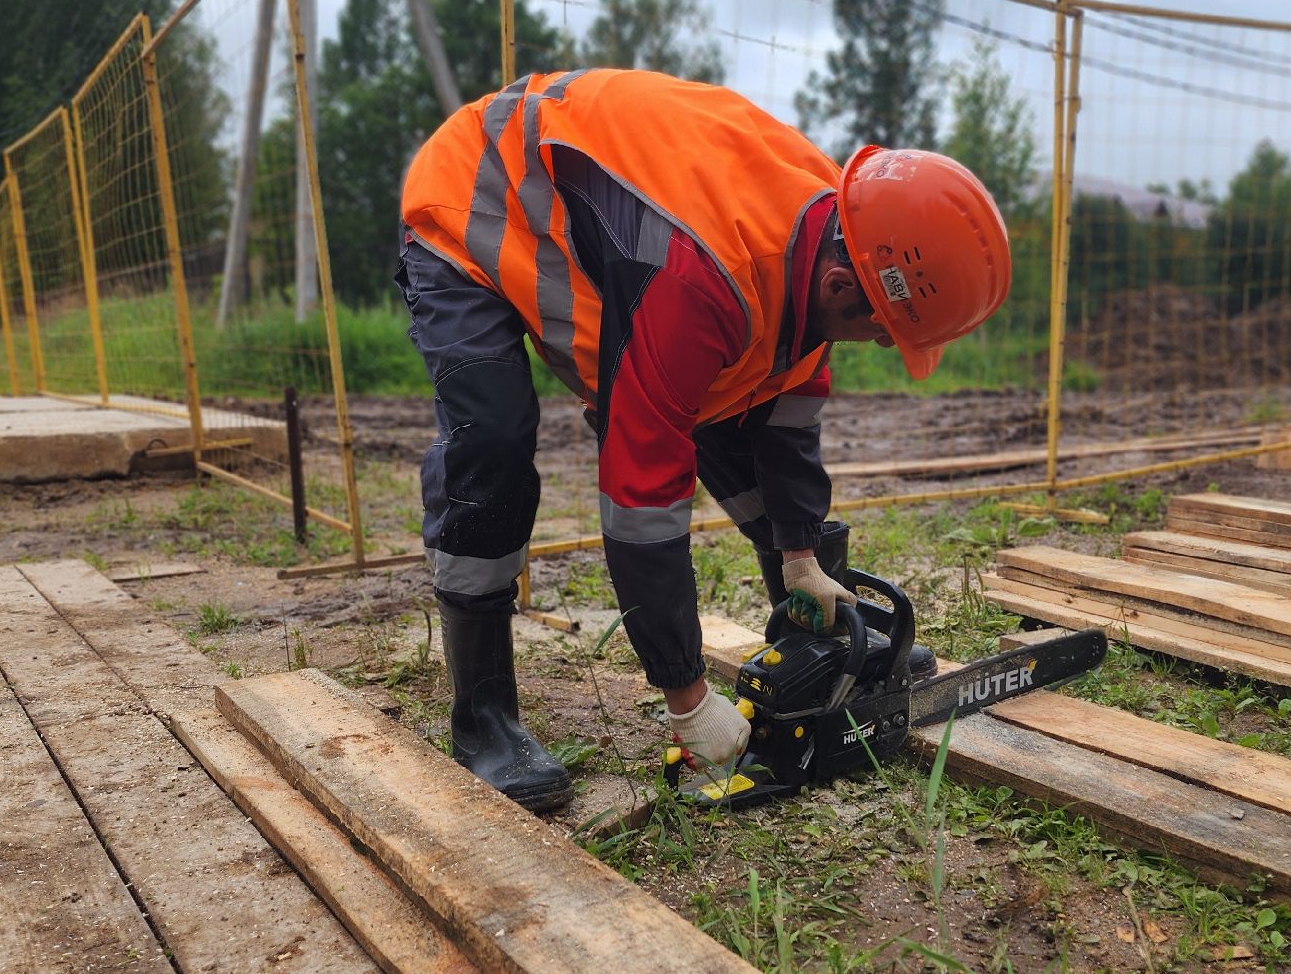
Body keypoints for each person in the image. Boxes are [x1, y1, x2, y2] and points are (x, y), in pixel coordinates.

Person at [397, 68, 1010, 812]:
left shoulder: (839, 230)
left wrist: (801, 556)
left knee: (740, 403)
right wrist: (687, 696)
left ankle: (817, 647)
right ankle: (484, 718)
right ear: (841, 287)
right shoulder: (701, 277)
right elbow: (641, 491)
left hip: (633, 243)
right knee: (491, 441)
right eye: (881, 331)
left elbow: (788, 419)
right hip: (476, 196)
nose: (881, 344)